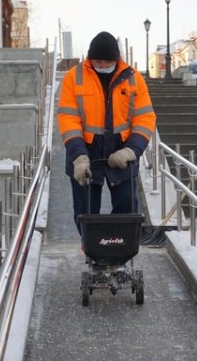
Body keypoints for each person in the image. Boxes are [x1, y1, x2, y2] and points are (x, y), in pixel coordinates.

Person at [57, 31, 156, 241]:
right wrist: (79, 157)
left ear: (116, 59)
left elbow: (145, 118)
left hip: (121, 154)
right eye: (98, 61)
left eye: (107, 61)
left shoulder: (133, 78)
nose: (102, 65)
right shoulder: (73, 78)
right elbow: (68, 119)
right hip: (85, 154)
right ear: (90, 59)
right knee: (85, 213)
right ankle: (93, 250)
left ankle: (116, 249)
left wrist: (132, 150)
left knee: (127, 210)